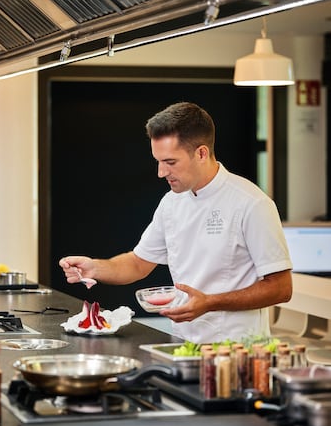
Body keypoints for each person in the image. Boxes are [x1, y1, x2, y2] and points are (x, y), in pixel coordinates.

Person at [59, 101, 293, 343]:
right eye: (158, 161)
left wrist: (210, 303)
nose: (161, 172)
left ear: (201, 153)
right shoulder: (171, 202)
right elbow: (138, 262)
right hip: (182, 342)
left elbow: (281, 288)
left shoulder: (251, 203)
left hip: (238, 349)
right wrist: (95, 268)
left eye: (170, 162)